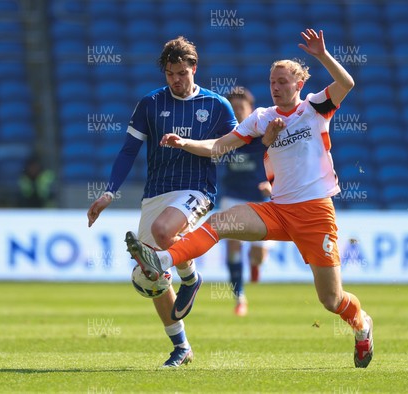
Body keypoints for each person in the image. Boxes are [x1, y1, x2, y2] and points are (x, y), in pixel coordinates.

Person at [126, 29, 374, 368]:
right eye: (273, 82)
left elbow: (347, 84)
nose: (277, 87)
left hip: (316, 213)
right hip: (278, 209)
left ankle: (362, 327)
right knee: (220, 222)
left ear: (298, 84)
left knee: (331, 300)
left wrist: (322, 55)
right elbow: (218, 147)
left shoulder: (315, 107)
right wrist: (185, 144)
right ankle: (165, 261)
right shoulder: (262, 118)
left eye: (284, 81)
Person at [86, 36, 239, 368]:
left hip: (197, 190)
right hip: (157, 193)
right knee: (150, 274)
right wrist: (109, 192)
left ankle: (190, 277)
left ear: (194, 69)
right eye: (170, 74)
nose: (176, 80)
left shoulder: (216, 106)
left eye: (182, 73)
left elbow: (235, 145)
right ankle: (181, 346)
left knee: (162, 230)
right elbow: (128, 150)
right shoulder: (150, 104)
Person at [220, 88, 272, 316]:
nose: (238, 112)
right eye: (233, 108)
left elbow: (282, 160)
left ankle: (255, 265)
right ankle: (239, 297)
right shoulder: (226, 135)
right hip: (233, 196)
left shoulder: (263, 136)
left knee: (258, 255)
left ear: (251, 110)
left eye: (241, 108)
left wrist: (274, 184)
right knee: (233, 246)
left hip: (261, 198)